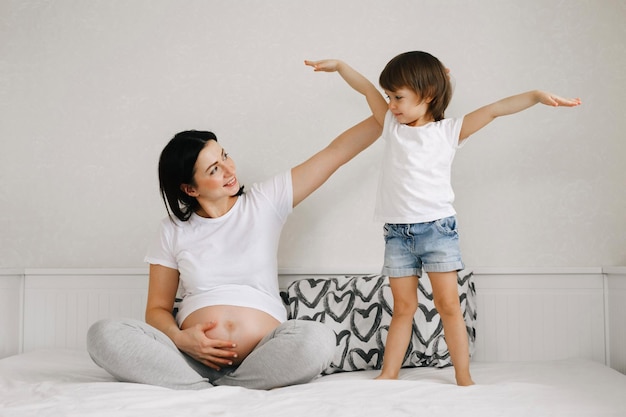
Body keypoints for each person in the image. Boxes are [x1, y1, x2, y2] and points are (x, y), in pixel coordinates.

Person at [305, 51, 581, 386]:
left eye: (399, 97)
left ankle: (464, 377)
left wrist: (536, 97)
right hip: (397, 233)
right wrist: (341, 67)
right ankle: (388, 373)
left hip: (437, 230)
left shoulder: (449, 131)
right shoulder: (392, 126)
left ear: (428, 95)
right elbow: (366, 90)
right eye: (389, 97)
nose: (391, 104)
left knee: (448, 305)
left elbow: (494, 110)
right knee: (403, 307)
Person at [86, 115, 382, 390]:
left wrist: (386, 115)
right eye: (214, 169)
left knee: (318, 339)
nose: (230, 170)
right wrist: (181, 339)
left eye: (224, 156)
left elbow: (336, 152)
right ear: (190, 189)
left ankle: (224, 388)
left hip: (265, 354)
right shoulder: (172, 230)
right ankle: (201, 385)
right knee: (102, 334)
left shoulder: (265, 202)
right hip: (189, 359)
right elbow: (157, 310)